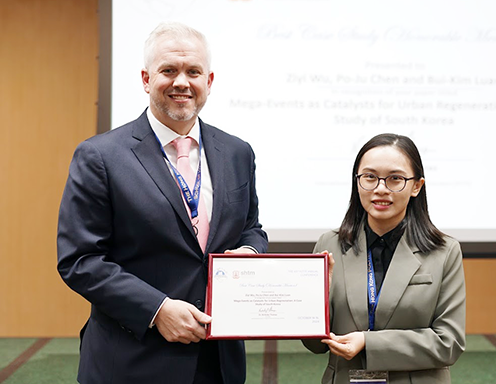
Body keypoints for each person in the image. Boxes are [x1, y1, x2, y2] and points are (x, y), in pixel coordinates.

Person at [57, 22, 267, 384]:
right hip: (132, 359)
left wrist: (249, 251)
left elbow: (252, 228)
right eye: (168, 70)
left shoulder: (236, 152)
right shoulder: (100, 156)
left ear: (209, 81)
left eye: (193, 72)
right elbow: (79, 259)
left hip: (219, 361)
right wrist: (156, 309)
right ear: (145, 78)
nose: (181, 82)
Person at [303, 133, 466, 384]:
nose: (380, 188)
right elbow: (315, 345)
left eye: (395, 179)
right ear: (357, 182)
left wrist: (369, 343)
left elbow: (449, 342)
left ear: (416, 186)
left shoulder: (444, 251)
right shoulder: (329, 244)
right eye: (370, 177)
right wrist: (316, 300)